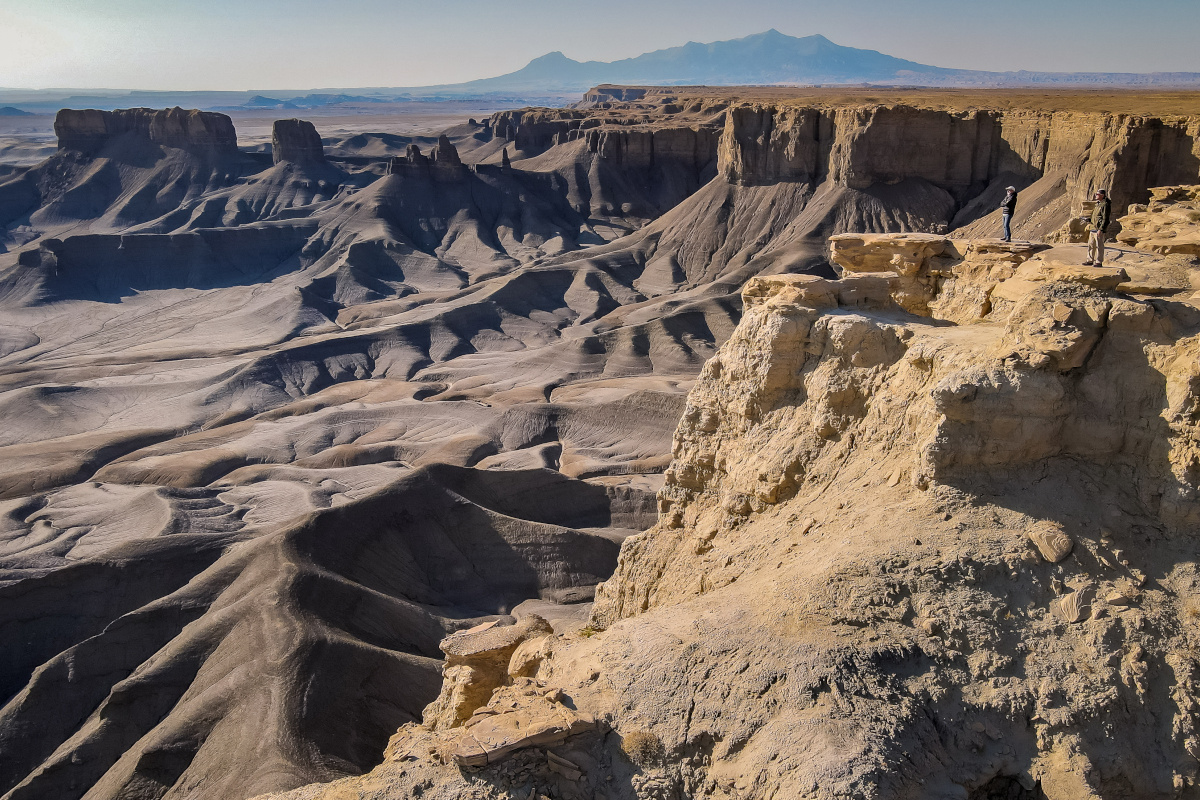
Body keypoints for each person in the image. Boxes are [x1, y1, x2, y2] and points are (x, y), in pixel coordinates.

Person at [1084, 189, 1111, 266]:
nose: (1096, 195)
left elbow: (1105, 218)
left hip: (1099, 229)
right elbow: (1096, 216)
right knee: (1091, 245)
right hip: (1093, 227)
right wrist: (1089, 220)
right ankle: (1089, 260)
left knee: (1099, 246)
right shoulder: (1098, 204)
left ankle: (1099, 261)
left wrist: (1101, 229)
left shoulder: (1105, 205)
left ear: (1102, 195)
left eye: (1097, 194)